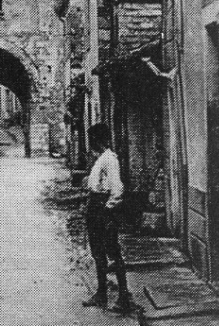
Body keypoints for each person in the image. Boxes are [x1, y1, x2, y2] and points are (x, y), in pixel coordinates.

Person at [82, 122, 131, 316]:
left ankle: (123, 298)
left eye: (92, 139)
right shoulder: (101, 159)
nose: (91, 143)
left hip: (103, 210)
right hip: (95, 207)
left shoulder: (110, 159)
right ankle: (101, 293)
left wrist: (107, 210)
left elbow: (117, 189)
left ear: (97, 139)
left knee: (112, 251)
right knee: (98, 252)